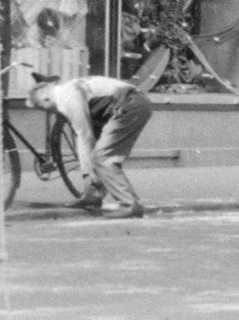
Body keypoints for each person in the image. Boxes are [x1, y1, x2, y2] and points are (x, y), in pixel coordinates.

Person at [26, 75, 155, 218]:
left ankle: (129, 205)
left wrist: (87, 172)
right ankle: (93, 196)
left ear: (45, 97)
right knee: (99, 155)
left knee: (103, 158)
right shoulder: (67, 89)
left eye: (41, 107)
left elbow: (85, 136)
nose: (46, 111)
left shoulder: (66, 98)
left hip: (130, 105)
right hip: (126, 103)